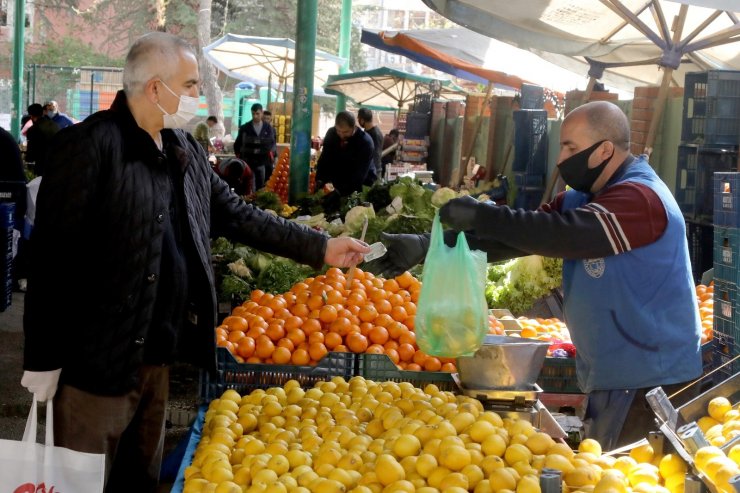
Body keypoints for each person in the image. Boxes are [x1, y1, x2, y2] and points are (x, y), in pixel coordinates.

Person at [20, 32, 369, 493]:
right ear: (154, 89)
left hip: (157, 356)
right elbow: (52, 259)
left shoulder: (182, 150)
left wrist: (319, 248)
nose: (196, 97)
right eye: (189, 86)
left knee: (139, 480)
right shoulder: (89, 147)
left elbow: (240, 216)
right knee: (81, 483)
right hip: (96, 365)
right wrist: (43, 358)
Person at [370, 101, 702, 451]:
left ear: (605, 150)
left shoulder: (642, 197)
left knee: (629, 481)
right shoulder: (582, 198)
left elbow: (564, 234)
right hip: (614, 372)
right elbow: (521, 236)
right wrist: (431, 244)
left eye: (571, 147)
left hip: (652, 377)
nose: (561, 158)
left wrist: (482, 214)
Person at [316, 111, 375, 196]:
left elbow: (359, 175)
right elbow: (324, 159)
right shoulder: (331, 133)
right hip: (338, 179)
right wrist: (320, 179)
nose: (342, 135)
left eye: (346, 132)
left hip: (361, 184)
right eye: (339, 131)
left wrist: (340, 192)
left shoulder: (365, 142)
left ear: (354, 127)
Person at [234, 103, 276, 190]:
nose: (255, 116)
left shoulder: (268, 128)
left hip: (263, 162)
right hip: (248, 163)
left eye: (257, 113)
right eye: (253, 114)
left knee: (261, 187)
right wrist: (239, 156)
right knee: (250, 186)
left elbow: (271, 144)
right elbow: (237, 144)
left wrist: (273, 157)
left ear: (262, 113)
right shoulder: (245, 128)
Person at [24, 103, 60, 176]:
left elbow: (31, 154)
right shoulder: (54, 125)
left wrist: (26, 161)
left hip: (42, 165)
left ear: (31, 116)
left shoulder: (33, 130)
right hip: (57, 164)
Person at [357, 108, 382, 182]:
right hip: (370, 170)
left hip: (373, 171)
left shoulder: (374, 134)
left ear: (362, 120)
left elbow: (375, 154)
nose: (358, 121)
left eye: (358, 118)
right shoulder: (369, 131)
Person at [262, 110, 279, 175]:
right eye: (264, 118)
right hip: (260, 160)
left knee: (269, 178)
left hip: (269, 159)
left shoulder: (273, 130)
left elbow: (274, 144)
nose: (266, 120)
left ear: (271, 120)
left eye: (268, 119)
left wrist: (276, 156)